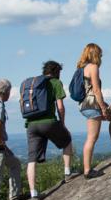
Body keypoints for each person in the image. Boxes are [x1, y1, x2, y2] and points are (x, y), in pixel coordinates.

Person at [24, 60, 74, 193]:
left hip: (31, 124)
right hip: (48, 122)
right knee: (67, 139)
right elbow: (60, 107)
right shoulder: (55, 82)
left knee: (31, 159)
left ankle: (33, 192)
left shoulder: (33, 85)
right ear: (57, 72)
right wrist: (62, 124)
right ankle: (67, 173)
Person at [77, 43, 110, 179]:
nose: (101, 56)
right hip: (92, 105)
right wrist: (103, 108)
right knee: (92, 138)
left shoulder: (82, 68)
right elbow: (96, 90)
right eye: (100, 54)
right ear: (95, 54)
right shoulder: (93, 67)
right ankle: (87, 170)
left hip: (84, 104)